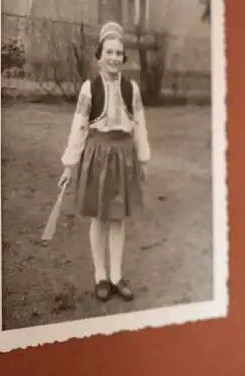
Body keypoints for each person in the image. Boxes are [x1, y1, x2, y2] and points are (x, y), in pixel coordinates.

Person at [58, 21, 151, 302]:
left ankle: (116, 276)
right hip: (97, 157)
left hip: (123, 157)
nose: (113, 57)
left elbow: (139, 124)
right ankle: (100, 276)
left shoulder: (131, 89)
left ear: (123, 57)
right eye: (108, 52)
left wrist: (143, 158)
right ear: (99, 56)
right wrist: (70, 164)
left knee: (118, 217)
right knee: (99, 218)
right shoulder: (89, 89)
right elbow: (79, 127)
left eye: (118, 53)